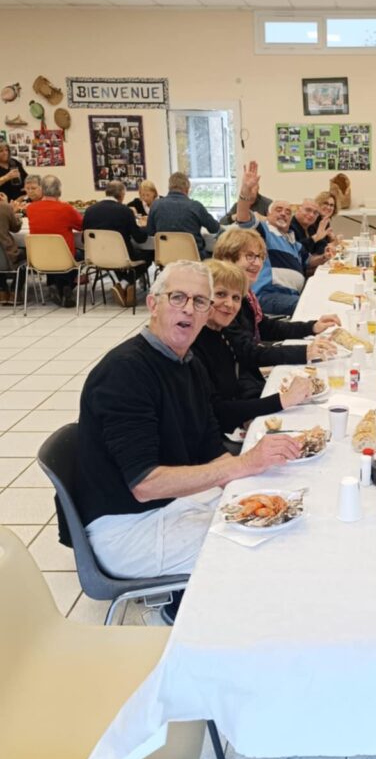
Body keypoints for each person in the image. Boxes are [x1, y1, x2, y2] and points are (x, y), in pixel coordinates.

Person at [77, 260, 301, 585]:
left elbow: (210, 444)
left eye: (199, 301)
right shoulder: (124, 373)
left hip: (168, 505)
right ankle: (178, 610)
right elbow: (145, 485)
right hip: (126, 527)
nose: (189, 310)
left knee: (281, 519)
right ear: (153, 304)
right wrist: (243, 465)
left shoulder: (187, 362)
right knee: (264, 550)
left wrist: (256, 486)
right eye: (178, 297)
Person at [193, 260, 316, 440]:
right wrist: (281, 400)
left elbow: (238, 381)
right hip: (213, 441)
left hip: (236, 422)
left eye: (236, 298)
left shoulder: (221, 332)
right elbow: (217, 411)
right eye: (220, 294)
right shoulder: (193, 344)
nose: (229, 304)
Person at [212, 227, 339, 378]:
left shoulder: (246, 295)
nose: (258, 263)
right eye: (250, 256)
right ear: (228, 258)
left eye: (260, 257)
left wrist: (312, 326)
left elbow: (266, 327)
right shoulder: (225, 302)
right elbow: (248, 353)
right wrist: (305, 351)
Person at [235, 163, 329, 315]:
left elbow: (309, 261)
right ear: (268, 214)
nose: (284, 214)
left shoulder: (293, 241)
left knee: (325, 297)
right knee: (313, 305)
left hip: (291, 295)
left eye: (287, 212)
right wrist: (245, 191)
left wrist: (325, 256)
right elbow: (243, 217)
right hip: (269, 295)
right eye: (278, 210)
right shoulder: (263, 232)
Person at [82, 180, 150, 307]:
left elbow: (83, 239)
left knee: (116, 258)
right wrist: (147, 228)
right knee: (149, 254)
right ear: (122, 194)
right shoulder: (125, 211)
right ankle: (124, 283)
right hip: (122, 257)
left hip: (97, 258)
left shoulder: (90, 210)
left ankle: (122, 286)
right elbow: (140, 238)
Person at [25, 174, 83, 307]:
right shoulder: (66, 208)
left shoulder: (31, 209)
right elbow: (81, 226)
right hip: (64, 257)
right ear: (59, 191)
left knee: (52, 255)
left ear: (42, 190)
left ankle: (55, 285)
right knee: (80, 254)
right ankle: (68, 285)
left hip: (39, 258)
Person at [146, 171, 222, 258]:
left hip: (166, 257)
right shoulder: (195, 206)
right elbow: (214, 228)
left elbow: (150, 232)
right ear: (187, 188)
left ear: (169, 187)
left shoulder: (155, 205)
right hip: (193, 257)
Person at [0, 192, 21, 304]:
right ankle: (15, 292)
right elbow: (16, 227)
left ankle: (2, 291)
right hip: (7, 252)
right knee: (29, 256)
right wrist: (13, 212)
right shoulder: (5, 207)